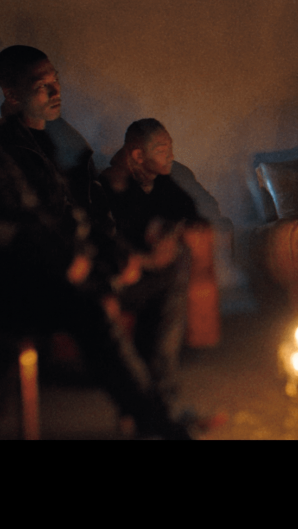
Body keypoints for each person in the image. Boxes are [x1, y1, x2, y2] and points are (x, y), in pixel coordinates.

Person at [0, 45, 191, 438]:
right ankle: (155, 420)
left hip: (85, 267)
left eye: (55, 79)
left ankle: (159, 404)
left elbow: (92, 215)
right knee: (90, 303)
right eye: (40, 85)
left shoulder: (65, 142)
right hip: (33, 284)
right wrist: (68, 264)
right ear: (11, 94)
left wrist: (123, 256)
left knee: (172, 267)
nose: (55, 90)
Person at [100, 118, 203, 408]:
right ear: (137, 155)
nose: (170, 155)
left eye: (170, 148)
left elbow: (190, 212)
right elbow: (104, 242)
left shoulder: (159, 182)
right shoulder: (106, 187)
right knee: (172, 277)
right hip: (114, 281)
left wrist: (168, 231)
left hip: (148, 278)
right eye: (161, 150)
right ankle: (158, 391)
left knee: (178, 261)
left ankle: (159, 388)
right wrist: (143, 260)